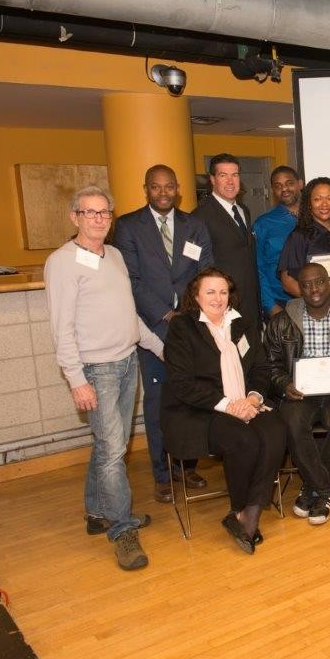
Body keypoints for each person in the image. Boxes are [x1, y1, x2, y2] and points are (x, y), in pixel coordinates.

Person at [45, 185, 161, 570]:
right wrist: (76, 379)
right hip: (97, 370)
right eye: (89, 212)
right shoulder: (62, 262)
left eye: (103, 213)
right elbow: (61, 329)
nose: (97, 219)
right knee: (113, 451)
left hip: (128, 361)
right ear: (74, 217)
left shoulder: (112, 255)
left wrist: (159, 347)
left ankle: (99, 513)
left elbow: (128, 313)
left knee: (110, 445)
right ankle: (123, 530)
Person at [161, 268, 288, 554]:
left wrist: (253, 399)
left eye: (223, 291)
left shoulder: (243, 324)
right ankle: (241, 510)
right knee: (244, 439)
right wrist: (229, 406)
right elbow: (183, 384)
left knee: (276, 431)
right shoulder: (182, 328)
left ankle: (248, 512)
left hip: (246, 402)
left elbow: (260, 369)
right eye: (210, 292)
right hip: (202, 409)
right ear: (196, 296)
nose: (218, 298)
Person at [113, 164, 214, 504]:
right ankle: (162, 473)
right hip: (153, 329)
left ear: (178, 188)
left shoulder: (194, 225)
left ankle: (187, 465)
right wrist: (164, 313)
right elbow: (131, 279)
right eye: (156, 187)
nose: (163, 192)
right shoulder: (128, 226)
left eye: (168, 186)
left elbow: (205, 272)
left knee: (194, 398)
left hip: (192, 327)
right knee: (159, 403)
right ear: (146, 189)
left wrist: (189, 312)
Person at [264, 263, 330, 526]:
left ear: (329, 283)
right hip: (301, 393)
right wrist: (284, 384)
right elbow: (271, 366)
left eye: (319, 282)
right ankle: (324, 488)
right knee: (291, 420)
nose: (314, 289)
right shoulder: (281, 321)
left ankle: (312, 487)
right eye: (306, 284)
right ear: (300, 288)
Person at [192, 153, 262, 327]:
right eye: (223, 175)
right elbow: (198, 268)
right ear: (213, 180)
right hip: (223, 306)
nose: (231, 181)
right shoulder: (199, 217)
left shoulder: (243, 210)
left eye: (235, 175)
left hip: (250, 304)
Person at [279, 177, 330, 306]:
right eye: (317, 199)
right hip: (316, 310)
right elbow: (287, 281)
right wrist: (321, 298)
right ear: (309, 204)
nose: (324, 204)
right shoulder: (299, 236)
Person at [253, 166, 303, 319]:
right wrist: (270, 306)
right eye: (278, 186)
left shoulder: (316, 217)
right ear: (273, 190)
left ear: (300, 184)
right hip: (281, 304)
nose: (284, 189)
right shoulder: (263, 224)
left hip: (318, 301)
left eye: (289, 183)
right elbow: (257, 268)